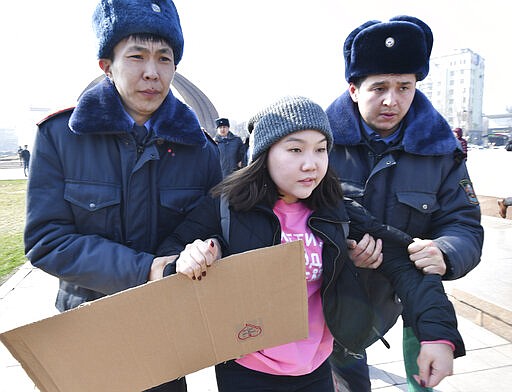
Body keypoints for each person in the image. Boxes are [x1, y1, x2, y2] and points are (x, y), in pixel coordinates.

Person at [158, 96, 465, 391]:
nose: (311, 164)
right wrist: (189, 259)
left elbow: (405, 263)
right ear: (264, 155)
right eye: (295, 150)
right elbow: (169, 257)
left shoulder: (337, 211)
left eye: (320, 150)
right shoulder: (227, 207)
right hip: (246, 369)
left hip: (318, 368)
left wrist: (437, 336)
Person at [23, 1, 222, 391]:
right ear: (106, 64)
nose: (152, 72)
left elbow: (214, 227)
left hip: (166, 331)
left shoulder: (202, 150)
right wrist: (145, 269)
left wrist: (205, 251)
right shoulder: (60, 137)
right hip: (88, 329)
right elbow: (46, 241)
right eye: (136, 56)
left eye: (164, 58)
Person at [326, 16, 483, 392]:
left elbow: (463, 222)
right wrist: (342, 248)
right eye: (378, 87)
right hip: (335, 296)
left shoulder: (441, 152)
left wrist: (445, 251)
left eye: (404, 87)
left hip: (412, 292)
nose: (391, 100)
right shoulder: (319, 144)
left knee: (424, 379)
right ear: (353, 89)